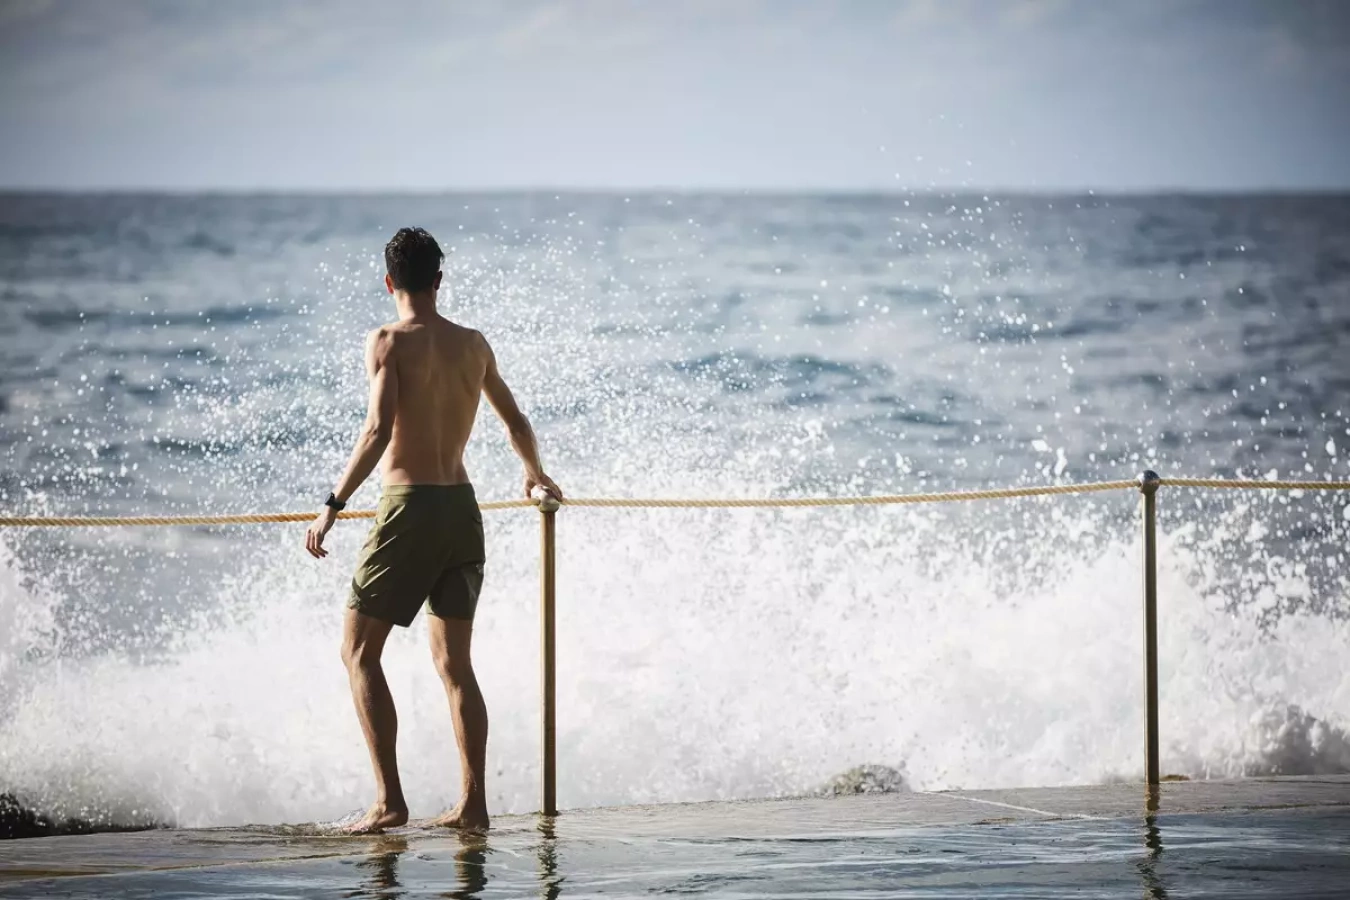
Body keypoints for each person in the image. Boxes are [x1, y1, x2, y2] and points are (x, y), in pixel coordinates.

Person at [304, 227, 562, 834]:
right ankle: (473, 805)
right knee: (455, 666)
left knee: (358, 652)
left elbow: (376, 431)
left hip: (409, 510)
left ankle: (389, 801)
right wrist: (536, 475)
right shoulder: (473, 344)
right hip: (461, 512)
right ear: (439, 280)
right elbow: (515, 420)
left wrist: (333, 504)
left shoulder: (387, 340)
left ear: (389, 281)